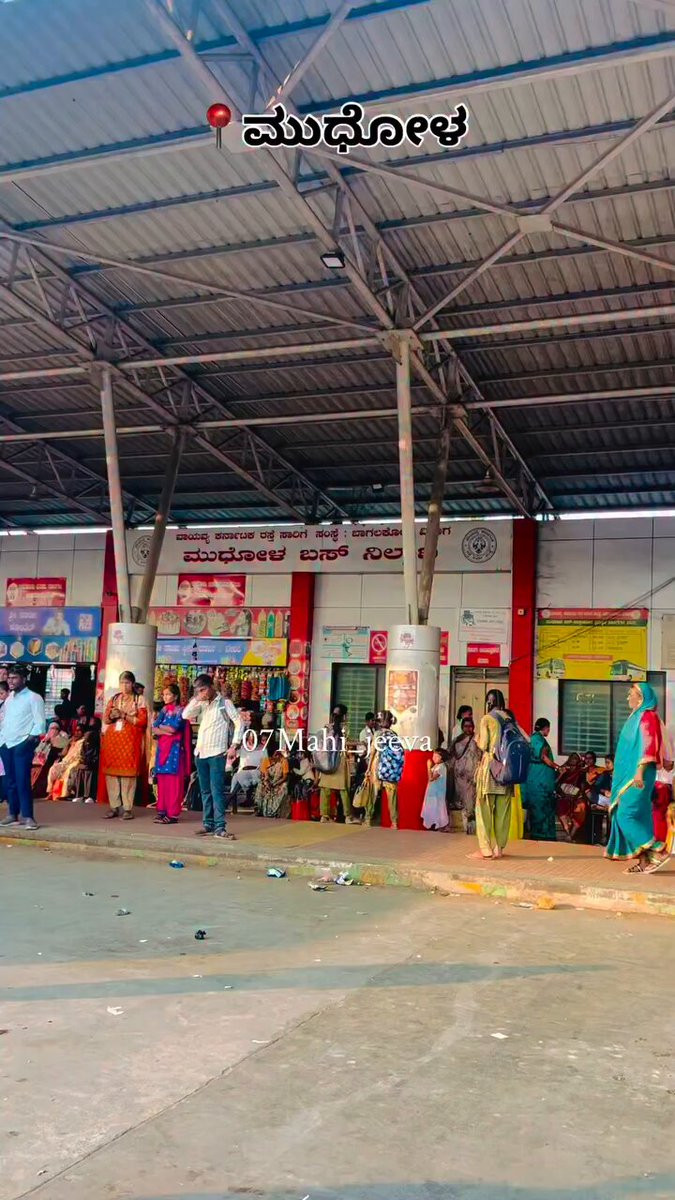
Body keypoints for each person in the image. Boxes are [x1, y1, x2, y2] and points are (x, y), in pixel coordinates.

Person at [605, 682, 668, 873]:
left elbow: (649, 746)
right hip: (630, 776)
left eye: (630, 694)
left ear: (640, 698)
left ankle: (658, 849)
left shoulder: (648, 716)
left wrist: (639, 772)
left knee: (625, 815)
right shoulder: (636, 716)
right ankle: (644, 862)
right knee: (638, 816)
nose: (627, 698)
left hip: (638, 776)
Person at [183, 674, 242, 839]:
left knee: (217, 791)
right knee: (205, 791)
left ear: (211, 687)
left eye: (203, 689)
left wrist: (234, 745)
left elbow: (239, 722)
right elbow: (185, 715)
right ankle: (208, 824)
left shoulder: (225, 703)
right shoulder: (201, 703)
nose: (202, 693)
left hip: (217, 753)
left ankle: (220, 827)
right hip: (201, 753)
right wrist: (196, 699)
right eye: (198, 690)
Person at [0, 666, 46, 830]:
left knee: (22, 781)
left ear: (23, 679)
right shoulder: (9, 699)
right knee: (10, 781)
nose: (10, 681)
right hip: (6, 744)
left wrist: (28, 741)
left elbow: (40, 723)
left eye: (14, 678)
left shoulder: (34, 698)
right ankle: (13, 814)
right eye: (9, 678)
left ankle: (28, 817)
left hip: (22, 744)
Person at [100, 670, 148, 820]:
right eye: (122, 683)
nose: (124, 686)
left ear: (132, 684)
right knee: (112, 775)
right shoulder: (114, 699)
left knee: (128, 775)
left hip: (130, 742)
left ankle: (127, 808)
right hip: (113, 741)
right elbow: (105, 719)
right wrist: (111, 715)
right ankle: (114, 806)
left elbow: (142, 721)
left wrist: (124, 715)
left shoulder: (139, 699)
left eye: (127, 683)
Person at [473, 689, 512, 859]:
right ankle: (499, 849)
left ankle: (485, 849)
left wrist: (477, 739)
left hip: (490, 769)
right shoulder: (509, 718)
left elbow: (484, 745)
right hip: (507, 771)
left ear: (489, 702)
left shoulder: (487, 719)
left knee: (484, 809)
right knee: (503, 812)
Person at [152, 684, 192, 824]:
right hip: (163, 748)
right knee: (162, 780)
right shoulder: (164, 710)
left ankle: (172, 814)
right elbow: (154, 727)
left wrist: (162, 728)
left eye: (168, 694)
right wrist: (165, 730)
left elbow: (174, 728)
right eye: (164, 694)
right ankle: (162, 810)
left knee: (173, 782)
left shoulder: (181, 711)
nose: (165, 697)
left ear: (175, 696)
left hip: (174, 751)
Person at [316, 704, 358, 824]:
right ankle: (348, 816)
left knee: (325, 789)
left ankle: (324, 816)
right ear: (344, 716)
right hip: (339, 760)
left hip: (327, 760)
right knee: (343, 789)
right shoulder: (344, 729)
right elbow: (346, 744)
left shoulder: (326, 728)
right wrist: (360, 743)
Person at [365, 710, 405, 829]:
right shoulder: (394, 734)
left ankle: (368, 819)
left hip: (377, 766)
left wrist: (368, 769)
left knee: (372, 794)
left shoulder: (378, 734)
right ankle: (394, 822)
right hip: (390, 768)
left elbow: (373, 751)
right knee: (392, 796)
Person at [522, 717, 559, 841]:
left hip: (534, 778)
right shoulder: (539, 740)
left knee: (537, 807)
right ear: (546, 728)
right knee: (542, 807)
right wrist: (556, 767)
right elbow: (543, 756)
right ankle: (543, 835)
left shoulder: (532, 739)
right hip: (540, 780)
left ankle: (539, 834)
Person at [452, 716, 481, 834]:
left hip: (473, 776)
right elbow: (453, 756)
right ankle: (467, 829)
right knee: (464, 804)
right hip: (461, 778)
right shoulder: (457, 740)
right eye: (466, 726)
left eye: (470, 726)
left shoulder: (478, 739)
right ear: (462, 727)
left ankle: (473, 829)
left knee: (472, 803)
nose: (468, 729)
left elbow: (480, 755)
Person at [556, 753, 591, 841]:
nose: (573, 760)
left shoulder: (581, 772)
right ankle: (567, 831)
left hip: (576, 796)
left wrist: (576, 795)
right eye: (571, 758)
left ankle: (571, 834)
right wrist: (561, 774)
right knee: (561, 807)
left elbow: (582, 787)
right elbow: (556, 784)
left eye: (575, 759)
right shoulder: (563, 769)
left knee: (581, 807)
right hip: (563, 795)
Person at [31, 718, 70, 797]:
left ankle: (39, 791)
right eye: (52, 728)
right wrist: (45, 742)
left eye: (56, 728)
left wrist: (53, 740)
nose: (53, 730)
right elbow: (37, 750)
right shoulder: (46, 738)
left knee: (44, 770)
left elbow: (62, 748)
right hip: (41, 760)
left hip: (54, 759)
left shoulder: (62, 737)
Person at [256, 749, 291, 818]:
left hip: (280, 782)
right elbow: (265, 775)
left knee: (283, 787)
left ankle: (274, 811)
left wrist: (276, 783)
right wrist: (267, 783)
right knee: (261, 786)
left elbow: (284, 777)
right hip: (270, 781)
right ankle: (260, 808)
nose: (273, 759)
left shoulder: (283, 761)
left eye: (275, 756)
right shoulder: (266, 760)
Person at [421, 748, 450, 831]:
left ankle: (439, 825)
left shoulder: (441, 767)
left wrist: (428, 767)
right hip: (432, 792)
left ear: (442, 758)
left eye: (437, 756)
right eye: (434, 756)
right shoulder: (436, 766)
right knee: (432, 808)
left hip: (437, 794)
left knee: (437, 809)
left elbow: (431, 778)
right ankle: (432, 825)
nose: (434, 758)